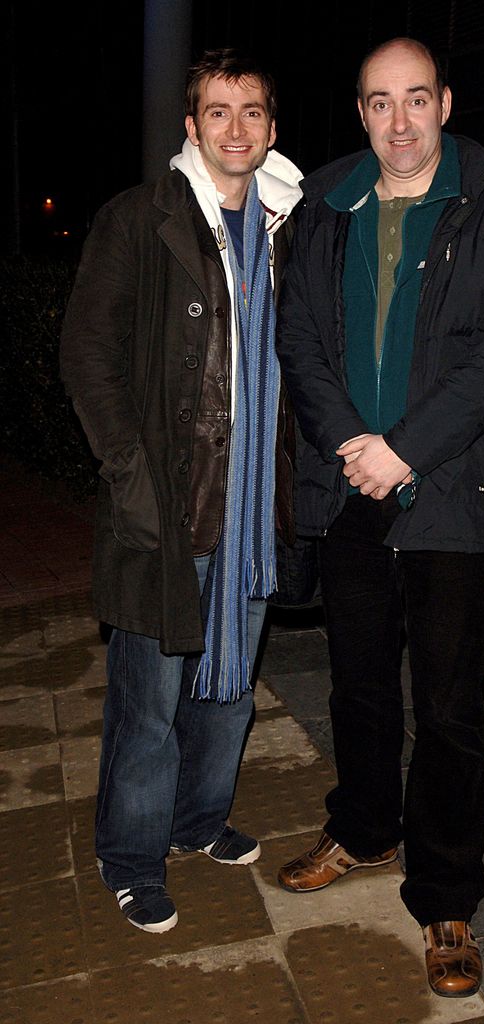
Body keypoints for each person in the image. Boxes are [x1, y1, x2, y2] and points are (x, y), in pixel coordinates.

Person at [275, 37, 484, 996]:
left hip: (450, 493)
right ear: (359, 111)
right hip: (349, 483)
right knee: (356, 684)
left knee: (446, 705)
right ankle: (361, 831)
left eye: (415, 100)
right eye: (379, 102)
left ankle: (443, 894)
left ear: (443, 104)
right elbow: (297, 334)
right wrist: (354, 442)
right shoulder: (326, 205)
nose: (398, 122)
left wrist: (405, 450)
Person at [60, 49, 302, 934]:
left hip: (248, 509)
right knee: (150, 701)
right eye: (216, 111)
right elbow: (86, 353)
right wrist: (130, 475)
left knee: (230, 689)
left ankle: (199, 823)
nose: (234, 128)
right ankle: (129, 856)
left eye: (251, 112)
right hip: (166, 505)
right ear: (190, 126)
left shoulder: (287, 224)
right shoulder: (139, 219)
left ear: (271, 129)